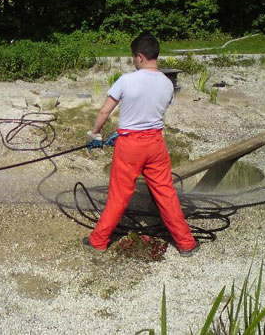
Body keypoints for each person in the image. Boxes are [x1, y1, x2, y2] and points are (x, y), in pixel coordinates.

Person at [84, 32, 199, 257]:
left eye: (133, 58)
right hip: (156, 143)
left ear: (139, 57)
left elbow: (105, 111)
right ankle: (186, 243)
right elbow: (150, 112)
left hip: (130, 146)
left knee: (119, 195)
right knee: (166, 193)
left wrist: (94, 134)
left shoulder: (127, 80)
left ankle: (98, 241)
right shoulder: (167, 84)